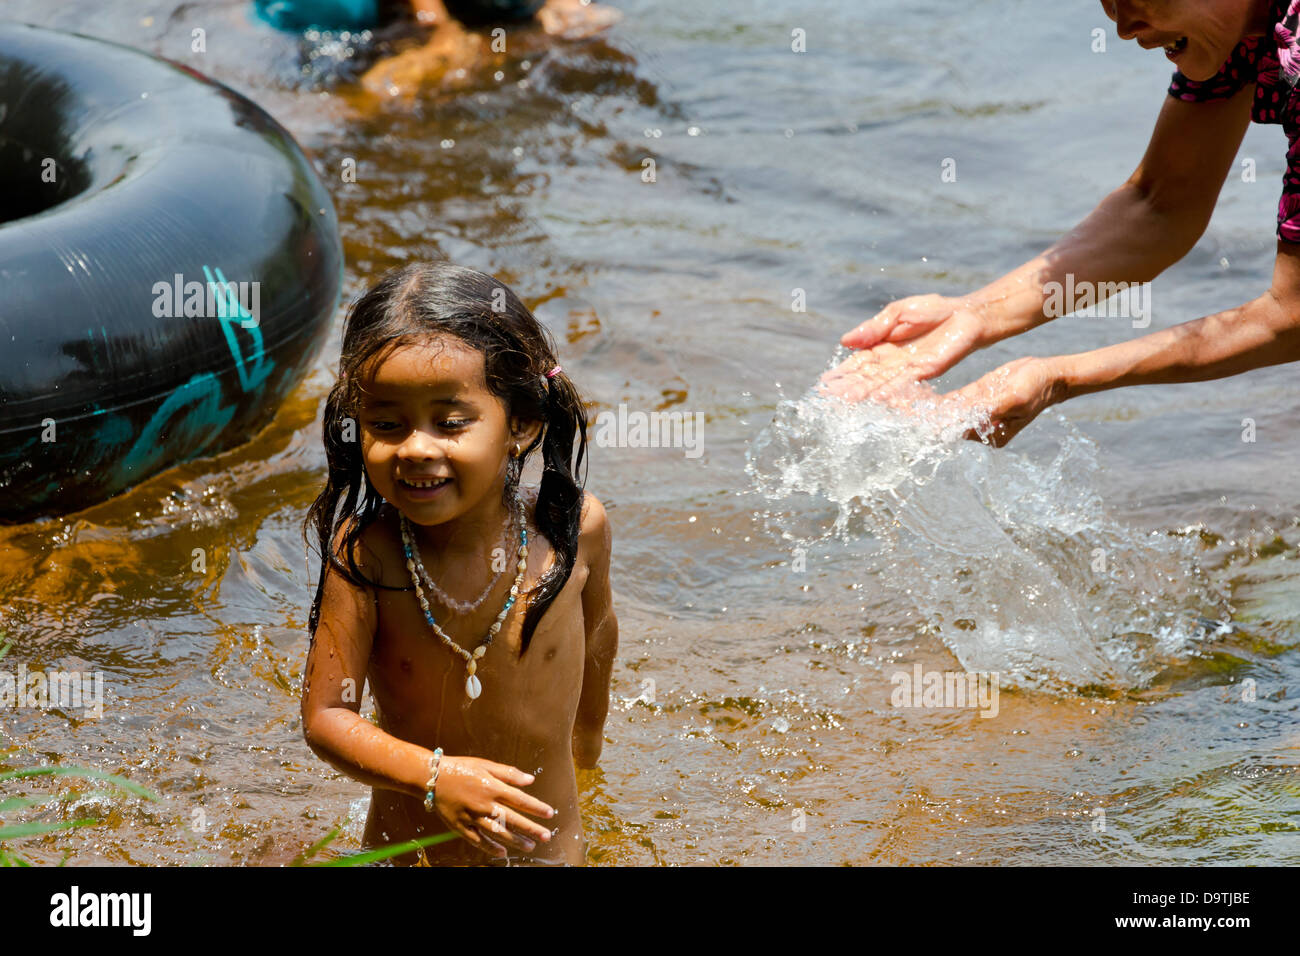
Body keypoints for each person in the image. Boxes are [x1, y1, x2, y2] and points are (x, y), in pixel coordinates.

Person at [822, 0, 1300, 447]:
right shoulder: (1238, 36)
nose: (1123, 27)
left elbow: (1292, 316)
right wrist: (977, 312)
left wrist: (1058, 377)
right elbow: (1161, 205)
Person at [301, 262, 618, 865]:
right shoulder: (366, 554)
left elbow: (599, 635)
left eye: (450, 422)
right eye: (385, 424)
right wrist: (433, 776)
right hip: (407, 852)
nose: (416, 447)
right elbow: (325, 717)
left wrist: (589, 749)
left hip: (544, 852)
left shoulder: (574, 531)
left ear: (520, 425)